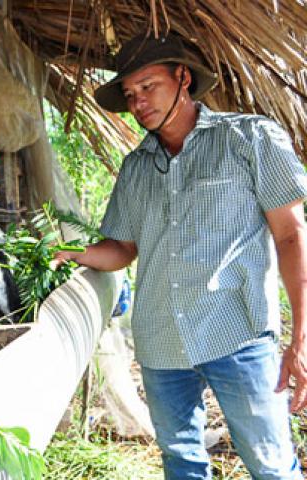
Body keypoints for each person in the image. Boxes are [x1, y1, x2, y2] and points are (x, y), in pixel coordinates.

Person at [54, 32, 307, 479]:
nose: (137, 102)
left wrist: (301, 338)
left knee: (270, 466)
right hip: (160, 342)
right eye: (130, 94)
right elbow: (123, 250)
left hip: (238, 336)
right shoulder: (136, 169)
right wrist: (65, 254)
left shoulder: (247, 139)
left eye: (148, 86)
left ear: (183, 77)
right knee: (181, 463)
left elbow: (290, 235)